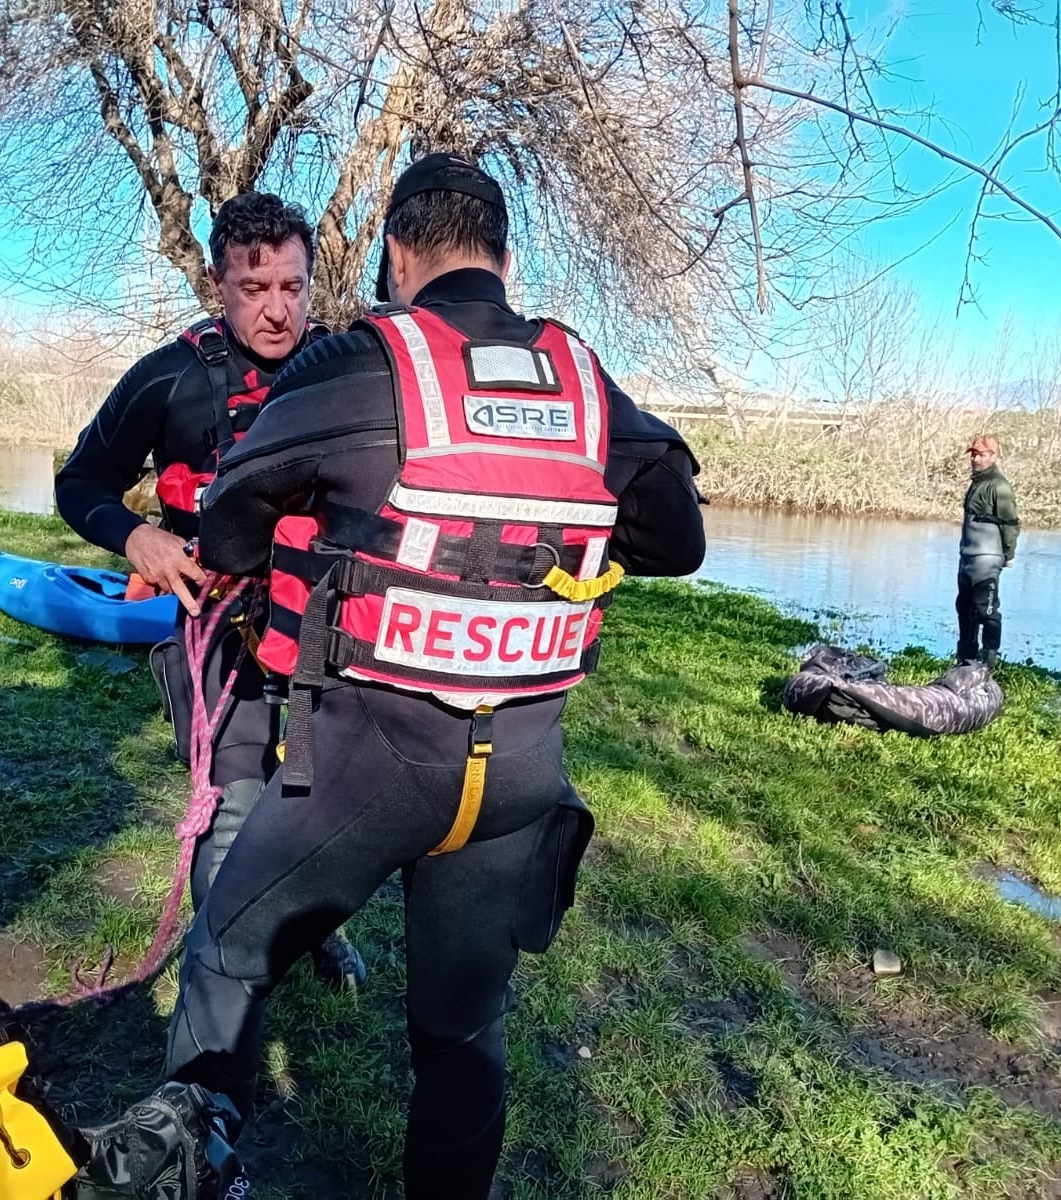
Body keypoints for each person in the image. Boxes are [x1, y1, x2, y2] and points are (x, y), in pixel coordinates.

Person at [160, 154, 707, 1199]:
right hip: (518, 782)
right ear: (504, 259)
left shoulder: (363, 361)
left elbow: (228, 526)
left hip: (368, 767)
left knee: (230, 952)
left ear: (398, 258)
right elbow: (673, 538)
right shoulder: (587, 381)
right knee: (461, 1031)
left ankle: (191, 1172)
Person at [55, 192, 364, 988]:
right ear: (219, 288)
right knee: (234, 798)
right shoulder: (169, 379)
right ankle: (220, 970)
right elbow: (80, 480)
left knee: (325, 798)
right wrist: (136, 537)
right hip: (214, 625)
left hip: (328, 622)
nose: (276, 311)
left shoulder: (349, 372)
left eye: (292, 288)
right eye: (254, 290)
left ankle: (314, 931)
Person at [956, 434, 1020, 668]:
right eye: (973, 454)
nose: (975, 459)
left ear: (993, 456)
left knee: (988, 610)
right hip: (967, 557)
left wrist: (1008, 554)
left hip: (987, 559)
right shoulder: (977, 482)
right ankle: (965, 660)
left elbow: (1010, 522)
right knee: (965, 608)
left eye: (981, 454)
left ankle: (989, 660)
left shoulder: (998, 485)